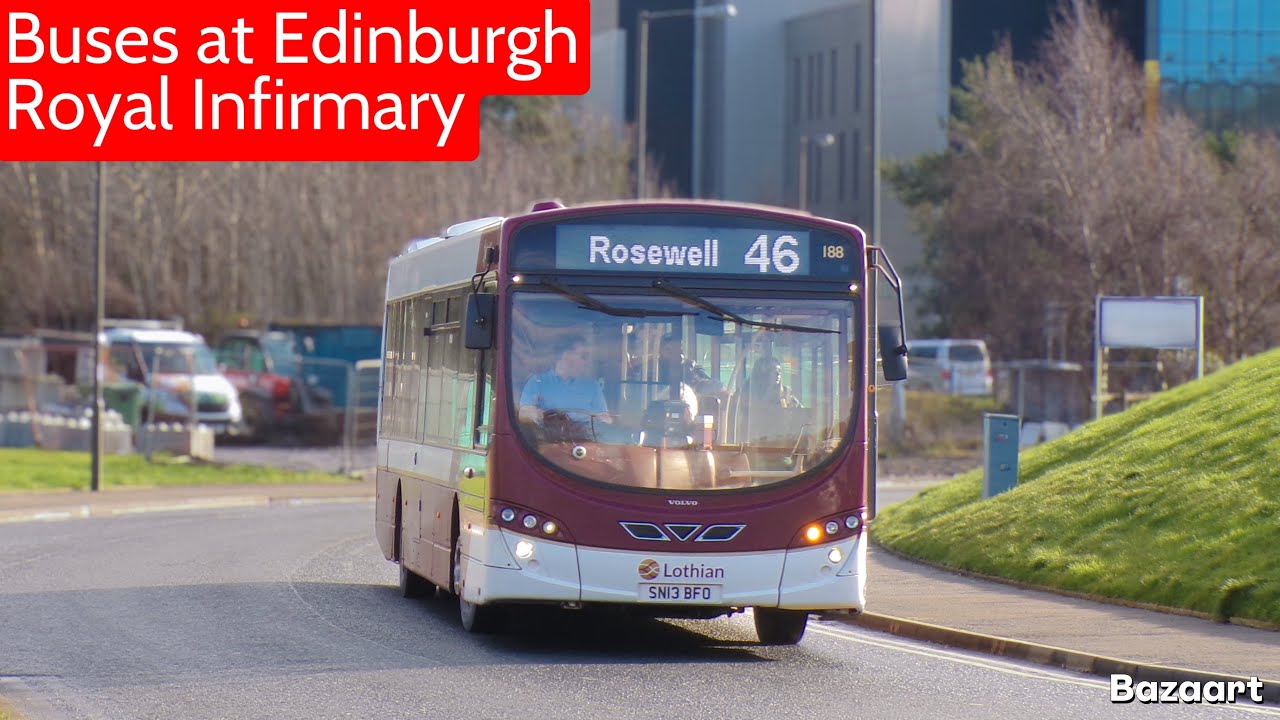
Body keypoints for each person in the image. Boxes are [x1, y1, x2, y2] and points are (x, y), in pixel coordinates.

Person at [518, 334, 613, 427]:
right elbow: (524, 414)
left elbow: (606, 420)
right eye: (583, 357)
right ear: (565, 355)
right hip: (547, 440)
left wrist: (601, 421)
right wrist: (538, 415)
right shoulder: (537, 382)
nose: (588, 362)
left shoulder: (592, 386)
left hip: (587, 439)